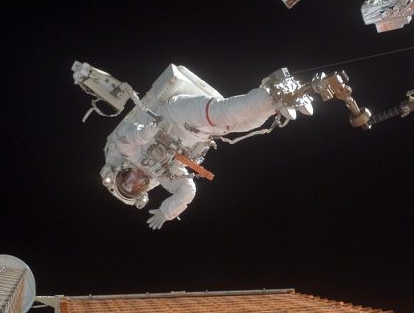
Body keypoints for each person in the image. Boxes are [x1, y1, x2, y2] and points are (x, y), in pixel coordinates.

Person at [104, 77, 309, 229]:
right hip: (195, 133)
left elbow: (125, 137)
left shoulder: (130, 155)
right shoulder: (161, 175)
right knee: (238, 125)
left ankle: (272, 92)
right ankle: (277, 103)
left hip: (175, 113)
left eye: (128, 181)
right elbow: (187, 190)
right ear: (142, 189)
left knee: (221, 114)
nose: (134, 181)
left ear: (123, 173)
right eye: (135, 187)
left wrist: (143, 134)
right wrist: (167, 212)